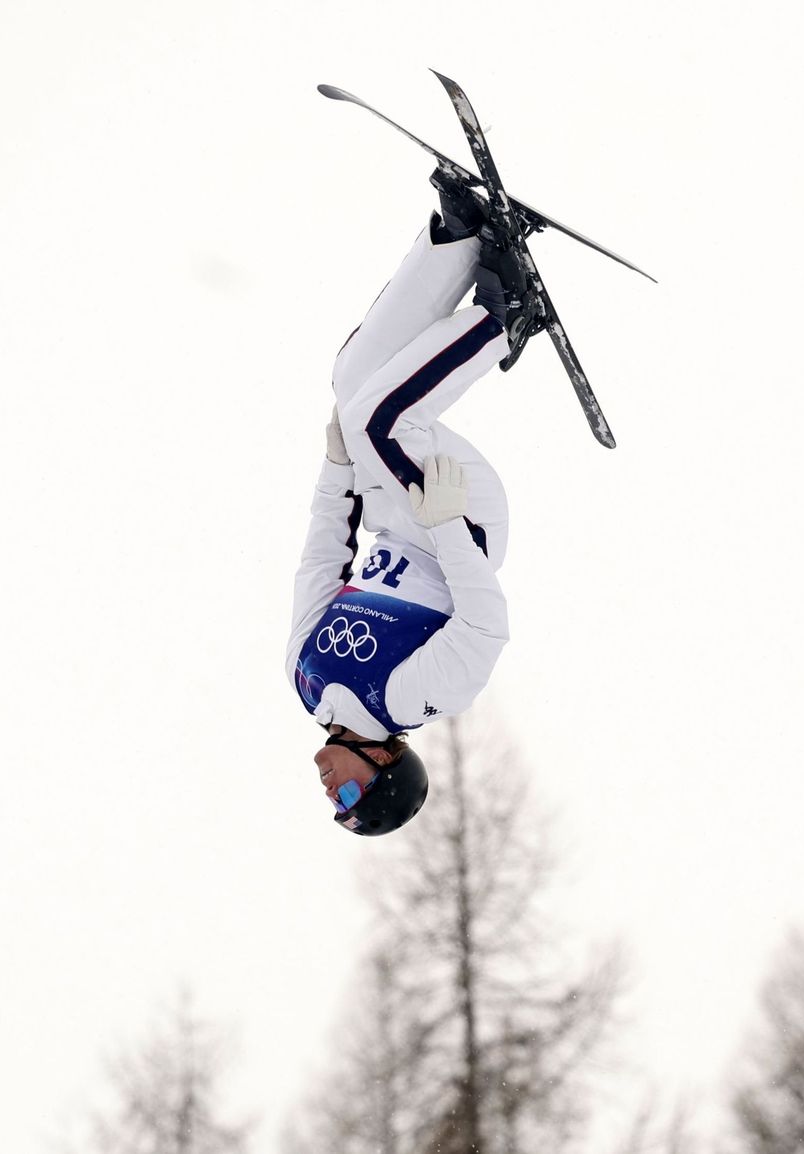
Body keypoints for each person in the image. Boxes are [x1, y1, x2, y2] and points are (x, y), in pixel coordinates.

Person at [286, 171, 522, 836]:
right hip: (460, 519)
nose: (333, 792)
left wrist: (336, 472)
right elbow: (484, 624)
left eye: (335, 805)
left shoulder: (304, 678)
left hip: (395, 508)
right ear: (387, 764)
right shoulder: (412, 698)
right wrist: (447, 524)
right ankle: (503, 321)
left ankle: (454, 242)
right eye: (352, 799)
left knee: (352, 383)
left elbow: (318, 567)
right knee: (378, 422)